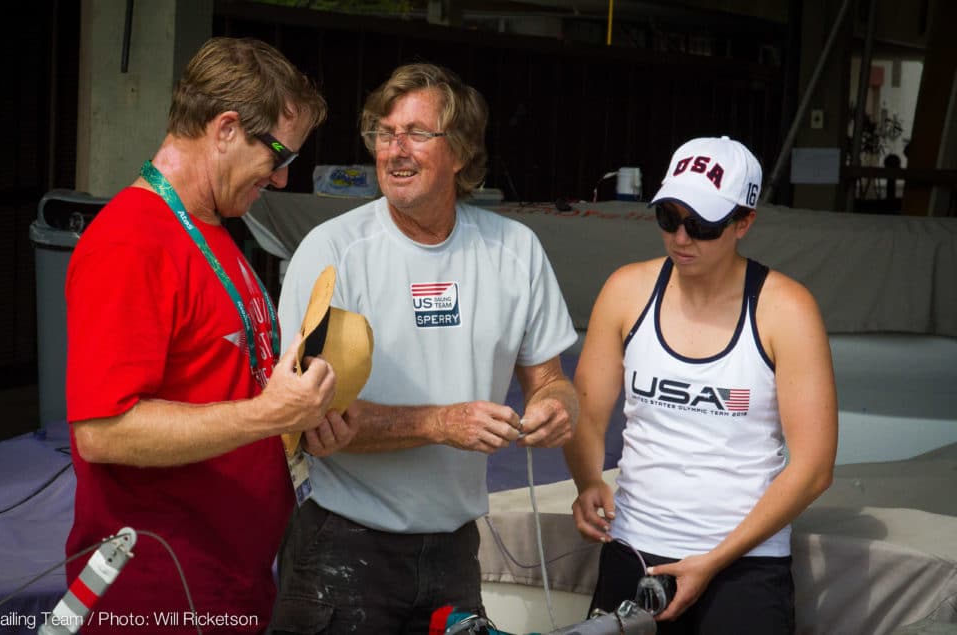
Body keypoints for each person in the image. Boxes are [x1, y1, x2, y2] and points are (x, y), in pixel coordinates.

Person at [268, 63, 580, 634]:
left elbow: (550, 379)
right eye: (385, 134)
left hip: (455, 553)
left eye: (416, 133)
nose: (394, 150)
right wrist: (440, 422)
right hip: (342, 546)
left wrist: (557, 407)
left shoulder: (515, 250)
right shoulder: (333, 251)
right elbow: (305, 419)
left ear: (460, 152)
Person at [64, 37, 354, 633]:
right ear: (225, 128)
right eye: (277, 155)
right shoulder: (131, 240)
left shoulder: (213, 227)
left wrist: (301, 421)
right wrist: (269, 416)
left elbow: (226, 388)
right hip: (156, 595)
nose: (280, 179)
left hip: (227, 582)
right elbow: (101, 431)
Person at [563, 136, 838, 633]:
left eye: (702, 224)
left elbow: (814, 468)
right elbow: (585, 414)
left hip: (743, 565)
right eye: (668, 217)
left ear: (743, 223)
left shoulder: (787, 309)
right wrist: (586, 480)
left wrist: (712, 561)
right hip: (633, 550)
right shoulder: (626, 290)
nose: (681, 238)